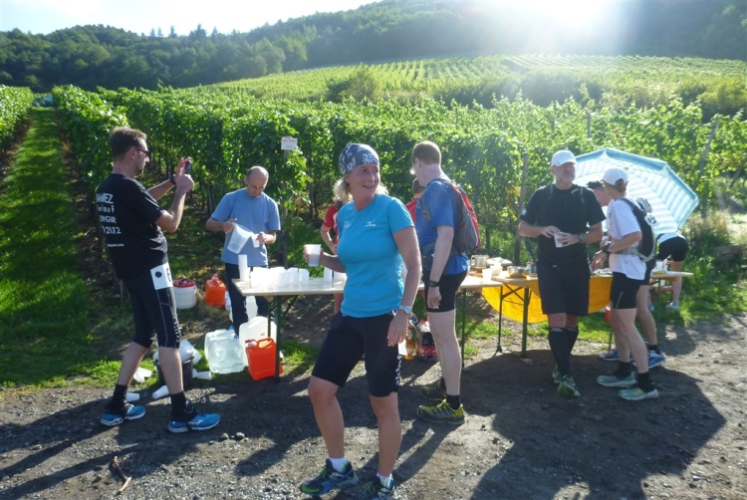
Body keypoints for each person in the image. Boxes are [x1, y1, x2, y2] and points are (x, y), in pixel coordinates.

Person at [299, 144, 420, 500]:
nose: (371, 176)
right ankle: (339, 467)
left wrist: (404, 312)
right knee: (319, 391)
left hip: (384, 317)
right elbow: (349, 263)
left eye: (374, 169)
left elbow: (414, 264)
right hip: (351, 313)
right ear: (347, 178)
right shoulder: (345, 215)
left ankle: (383, 479)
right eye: (363, 170)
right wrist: (322, 258)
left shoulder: (391, 208)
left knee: (383, 404)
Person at [97, 127, 220, 432]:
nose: (148, 159)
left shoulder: (108, 188)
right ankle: (181, 413)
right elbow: (172, 223)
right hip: (151, 270)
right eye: (146, 153)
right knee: (170, 336)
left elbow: (142, 201)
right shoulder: (128, 187)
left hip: (130, 272)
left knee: (143, 334)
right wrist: (181, 192)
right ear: (133, 153)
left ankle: (116, 404)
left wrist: (171, 181)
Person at [518, 149, 605, 399]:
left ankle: (560, 366)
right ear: (553, 169)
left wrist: (578, 237)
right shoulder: (542, 195)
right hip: (549, 266)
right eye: (563, 166)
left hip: (577, 265)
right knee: (556, 318)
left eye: (572, 166)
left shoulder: (586, 195)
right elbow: (522, 228)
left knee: (571, 320)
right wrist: (541, 229)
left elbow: (598, 232)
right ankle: (566, 376)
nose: (568, 170)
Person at [410, 141, 469, 423]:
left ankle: (454, 405)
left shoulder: (436, 188)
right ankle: (446, 384)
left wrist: (433, 283)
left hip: (443, 272)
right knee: (441, 332)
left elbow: (446, 235)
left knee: (445, 337)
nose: (415, 173)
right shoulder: (447, 185)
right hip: (446, 268)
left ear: (419, 162)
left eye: (414, 168)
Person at [592, 168, 659, 401]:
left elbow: (634, 236)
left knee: (627, 326)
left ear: (606, 186)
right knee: (618, 321)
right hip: (628, 270)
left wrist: (607, 250)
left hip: (627, 272)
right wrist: (607, 247)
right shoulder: (628, 202)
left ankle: (645, 383)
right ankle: (624, 370)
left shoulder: (619, 206)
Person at [205, 166, 280, 331]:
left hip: (259, 261)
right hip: (234, 261)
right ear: (246, 180)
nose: (257, 191)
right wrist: (223, 225)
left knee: (265, 303)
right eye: (254, 187)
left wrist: (266, 237)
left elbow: (273, 236)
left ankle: (267, 336)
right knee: (238, 303)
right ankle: (242, 337)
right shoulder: (231, 198)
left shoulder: (270, 204)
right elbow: (209, 224)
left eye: (261, 188)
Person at [320, 181, 344, 315]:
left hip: (362, 260)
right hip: (340, 256)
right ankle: (338, 326)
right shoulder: (334, 209)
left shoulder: (367, 206)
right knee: (340, 299)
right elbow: (324, 230)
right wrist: (331, 245)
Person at [653, 231, 689, 310]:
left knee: (652, 269)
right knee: (676, 273)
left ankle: (647, 303)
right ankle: (675, 303)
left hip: (667, 241)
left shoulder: (652, 225)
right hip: (682, 241)